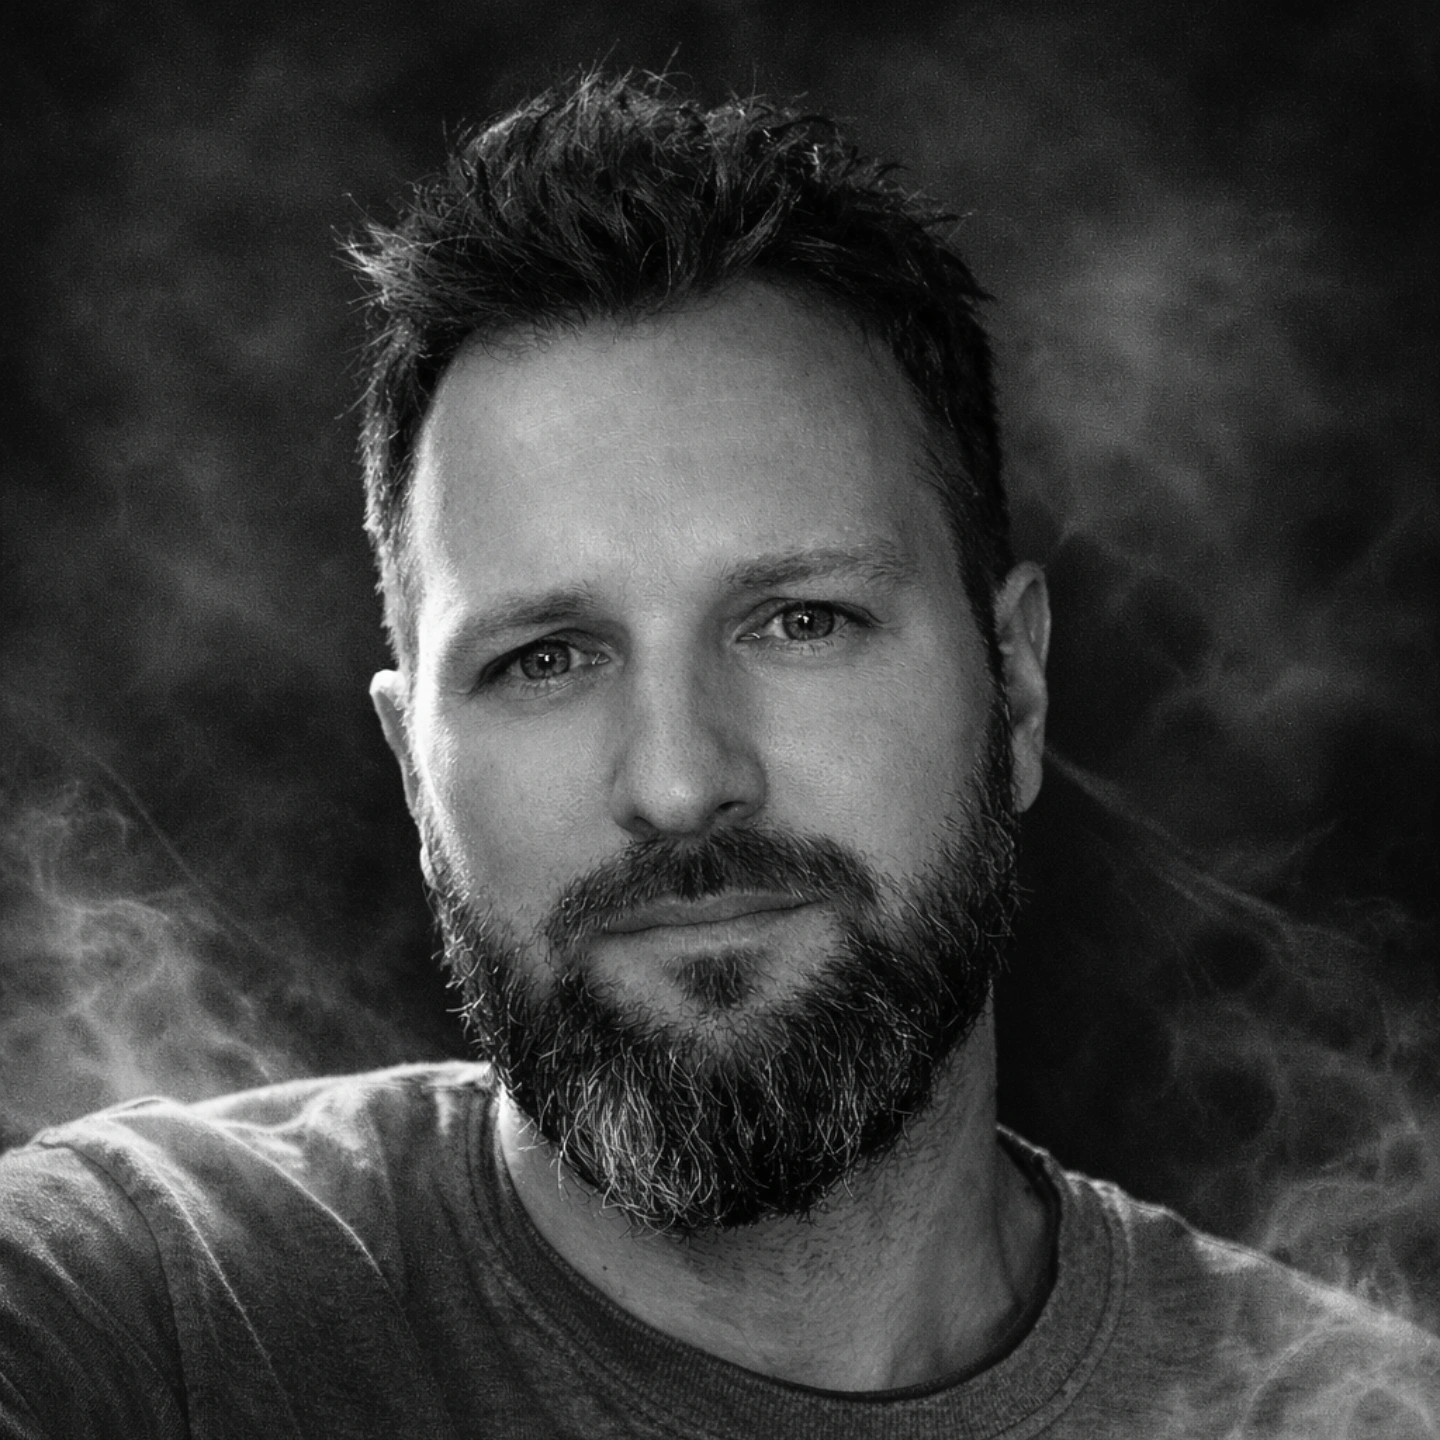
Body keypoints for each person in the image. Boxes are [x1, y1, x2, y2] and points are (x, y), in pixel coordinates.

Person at [0, 71, 1434, 1440]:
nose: (682, 783)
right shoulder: (150, 1307)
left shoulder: (1356, 1411)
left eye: (801, 622)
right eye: (545, 659)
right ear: (413, 772)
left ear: (1015, 689)